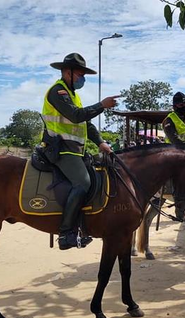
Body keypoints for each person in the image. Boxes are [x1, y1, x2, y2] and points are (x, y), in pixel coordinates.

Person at [42, 53, 120, 250]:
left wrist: (101, 142)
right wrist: (102, 105)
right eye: (80, 74)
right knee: (83, 182)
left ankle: (82, 227)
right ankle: (66, 233)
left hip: (75, 151)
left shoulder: (72, 95)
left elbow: (85, 122)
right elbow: (76, 116)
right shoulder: (57, 92)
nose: (82, 78)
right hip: (60, 150)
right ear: (67, 72)